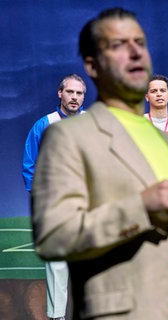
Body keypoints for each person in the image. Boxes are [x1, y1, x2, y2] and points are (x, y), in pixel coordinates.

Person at [31, 8, 168, 320]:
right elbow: (55, 235)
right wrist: (141, 207)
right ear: (93, 65)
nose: (135, 52)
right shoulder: (68, 136)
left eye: (140, 43)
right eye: (119, 45)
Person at [22, 73, 86, 320]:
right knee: (57, 266)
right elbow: (30, 165)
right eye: (70, 92)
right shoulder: (44, 124)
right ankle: (57, 316)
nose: (75, 97)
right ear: (60, 94)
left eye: (79, 93)